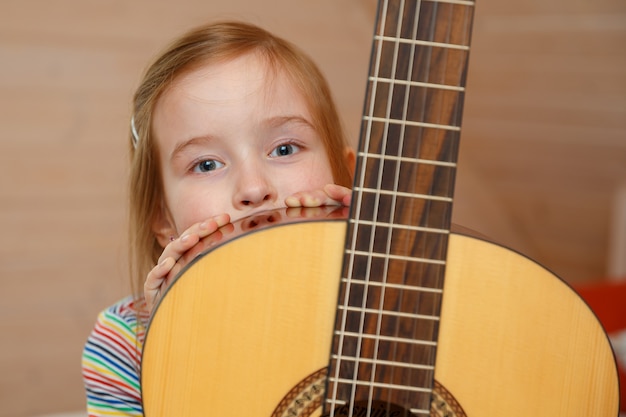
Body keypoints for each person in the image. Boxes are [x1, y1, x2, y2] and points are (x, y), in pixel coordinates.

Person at [81, 20, 355, 416]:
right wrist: (177, 346)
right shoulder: (125, 343)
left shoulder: (413, 308)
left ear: (347, 177)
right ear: (163, 219)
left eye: (284, 149)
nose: (253, 188)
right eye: (207, 164)